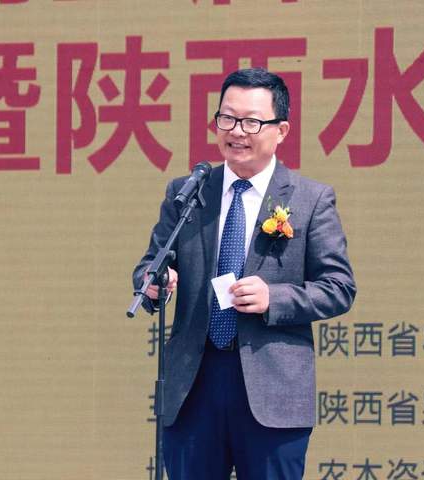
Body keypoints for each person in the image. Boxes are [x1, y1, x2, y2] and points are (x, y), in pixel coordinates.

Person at [132, 67, 356, 480]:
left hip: (272, 390)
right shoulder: (189, 192)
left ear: (281, 130)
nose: (236, 131)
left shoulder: (310, 200)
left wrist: (275, 298)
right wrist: (155, 284)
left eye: (251, 122)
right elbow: (151, 264)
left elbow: (339, 287)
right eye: (227, 118)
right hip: (193, 385)